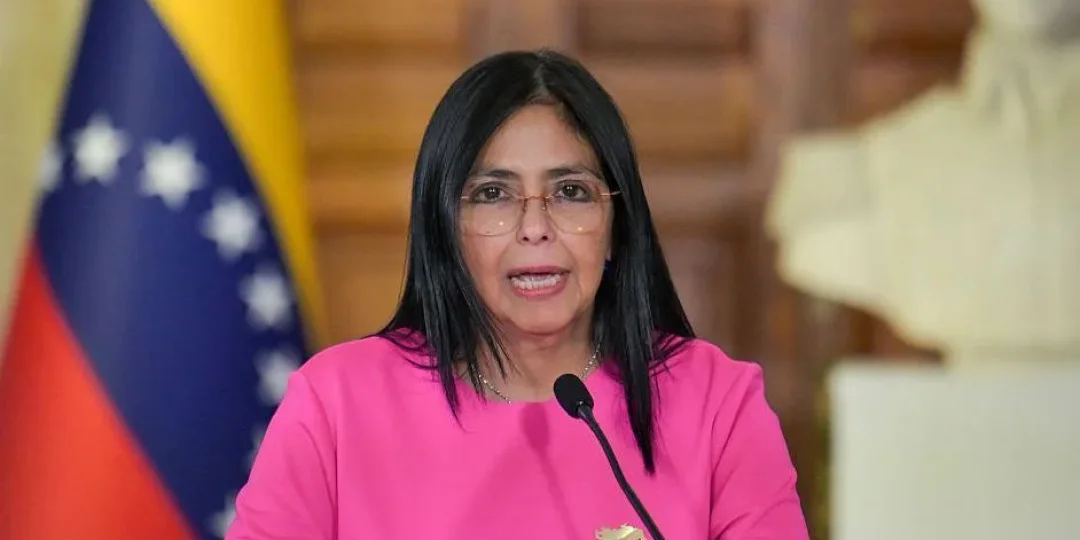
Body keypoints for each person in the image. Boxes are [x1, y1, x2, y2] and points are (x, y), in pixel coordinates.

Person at [227, 49, 809, 540]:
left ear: (616, 224)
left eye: (571, 191)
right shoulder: (335, 405)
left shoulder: (718, 405)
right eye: (493, 194)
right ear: (445, 227)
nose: (535, 228)